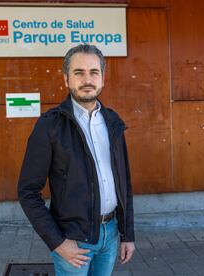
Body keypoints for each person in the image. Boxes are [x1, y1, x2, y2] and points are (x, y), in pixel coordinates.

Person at [18, 44, 135, 276]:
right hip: (73, 240)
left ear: (103, 78)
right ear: (66, 79)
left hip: (110, 235)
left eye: (94, 72)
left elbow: (124, 184)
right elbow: (28, 191)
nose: (87, 79)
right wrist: (57, 242)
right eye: (78, 72)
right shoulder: (49, 126)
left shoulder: (112, 122)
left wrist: (127, 234)